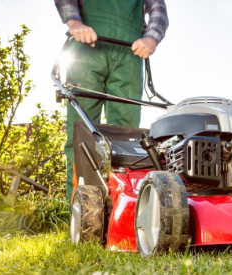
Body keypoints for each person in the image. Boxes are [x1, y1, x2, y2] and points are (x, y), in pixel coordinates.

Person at [54, 0, 169, 203]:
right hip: (86, 49)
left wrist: (151, 39)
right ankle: (82, 211)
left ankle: (122, 206)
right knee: (82, 134)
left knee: (128, 137)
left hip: (129, 53)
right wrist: (74, 23)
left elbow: (158, 8)